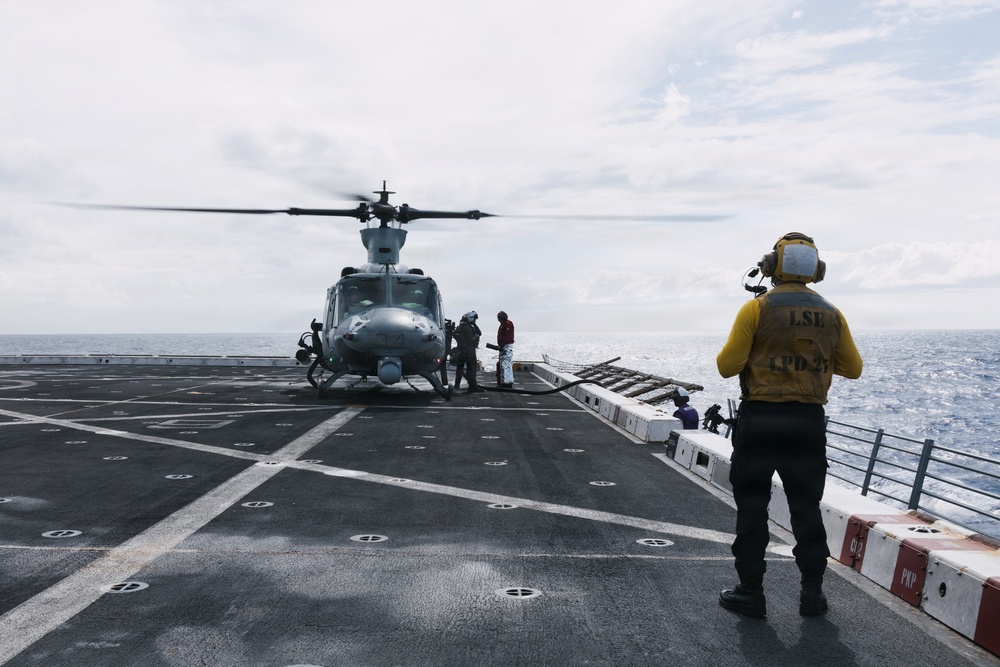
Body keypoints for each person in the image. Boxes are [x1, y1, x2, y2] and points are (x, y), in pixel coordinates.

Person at [716, 232, 863, 619]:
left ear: (771, 267)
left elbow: (726, 366)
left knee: (752, 508)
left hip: (761, 419)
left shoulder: (757, 309)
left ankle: (750, 592)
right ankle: (811, 594)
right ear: (817, 270)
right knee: (806, 508)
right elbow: (853, 369)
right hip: (807, 423)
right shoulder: (832, 313)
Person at [454, 311, 484, 393]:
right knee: (471, 369)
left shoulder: (460, 326)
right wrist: (475, 337)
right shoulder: (467, 328)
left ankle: (457, 384)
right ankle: (472, 386)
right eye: (474, 319)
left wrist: (474, 324)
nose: (475, 321)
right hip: (469, 351)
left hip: (460, 351)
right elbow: (470, 340)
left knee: (459, 368)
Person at [496, 311, 515, 388]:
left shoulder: (507, 324)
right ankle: (509, 380)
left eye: (499, 317)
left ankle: (505, 382)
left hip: (506, 346)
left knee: (505, 364)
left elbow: (507, 337)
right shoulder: (503, 324)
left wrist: (502, 345)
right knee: (506, 364)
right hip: (504, 345)